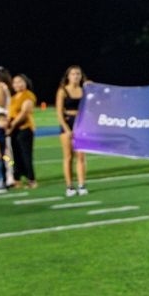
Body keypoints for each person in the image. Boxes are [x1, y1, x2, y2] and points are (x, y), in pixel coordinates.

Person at [57, 65, 88, 197]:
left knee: (81, 157)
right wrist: (67, 129)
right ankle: (69, 186)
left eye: (78, 74)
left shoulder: (84, 90)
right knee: (68, 157)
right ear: (68, 76)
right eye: (73, 74)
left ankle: (81, 185)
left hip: (81, 124)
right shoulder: (63, 91)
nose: (76, 76)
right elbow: (59, 113)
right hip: (68, 124)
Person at [7, 73, 38, 189]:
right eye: (15, 82)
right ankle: (17, 179)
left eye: (20, 81)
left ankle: (31, 180)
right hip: (14, 131)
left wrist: (12, 125)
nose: (17, 84)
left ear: (26, 83)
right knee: (15, 157)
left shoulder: (28, 95)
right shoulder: (14, 97)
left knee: (26, 156)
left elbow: (24, 113)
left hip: (25, 129)